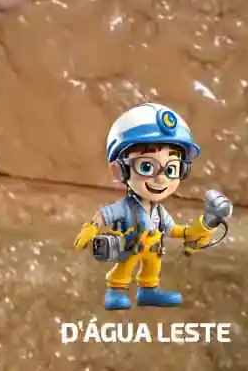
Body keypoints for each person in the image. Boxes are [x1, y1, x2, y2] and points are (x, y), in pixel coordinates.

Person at [73, 103, 215, 310]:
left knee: (152, 266)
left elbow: (172, 229)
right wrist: (92, 227)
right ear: (119, 170)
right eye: (146, 166)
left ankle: (148, 290)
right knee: (125, 267)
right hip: (131, 247)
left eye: (171, 169)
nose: (161, 179)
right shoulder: (127, 207)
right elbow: (104, 215)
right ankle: (116, 290)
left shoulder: (159, 211)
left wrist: (195, 231)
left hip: (153, 250)